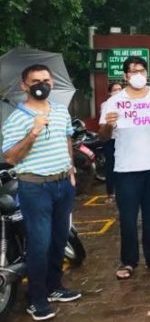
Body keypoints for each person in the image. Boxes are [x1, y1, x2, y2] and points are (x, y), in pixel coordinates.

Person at [2, 64, 81, 320]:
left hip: (62, 184)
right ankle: (36, 299)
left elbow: (67, 139)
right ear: (25, 86)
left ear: (52, 83)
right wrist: (32, 132)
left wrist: (70, 169)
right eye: (35, 81)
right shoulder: (17, 118)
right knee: (40, 243)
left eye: (46, 80)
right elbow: (12, 157)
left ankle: (54, 287)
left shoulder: (60, 111)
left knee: (59, 239)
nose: (41, 85)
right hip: (35, 187)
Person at [99, 56, 150, 280]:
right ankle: (128, 261)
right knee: (128, 218)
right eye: (133, 71)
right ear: (125, 75)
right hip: (126, 168)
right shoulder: (114, 101)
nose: (138, 75)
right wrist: (109, 125)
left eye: (141, 70)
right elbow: (104, 136)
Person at [102, 82, 122, 203]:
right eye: (115, 90)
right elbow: (103, 124)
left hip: (123, 139)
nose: (118, 91)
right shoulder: (106, 104)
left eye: (120, 89)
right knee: (111, 166)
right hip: (111, 139)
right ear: (110, 92)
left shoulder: (126, 103)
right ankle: (110, 192)